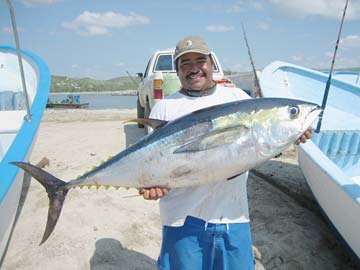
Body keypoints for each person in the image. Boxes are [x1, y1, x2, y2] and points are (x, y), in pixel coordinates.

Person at [139, 35, 312, 270]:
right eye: (185, 64)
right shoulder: (165, 107)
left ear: (211, 64)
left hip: (234, 218)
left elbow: (259, 146)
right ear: (177, 71)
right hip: (181, 219)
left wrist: (290, 135)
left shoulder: (238, 98)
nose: (194, 69)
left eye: (200, 60)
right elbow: (149, 164)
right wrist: (148, 185)